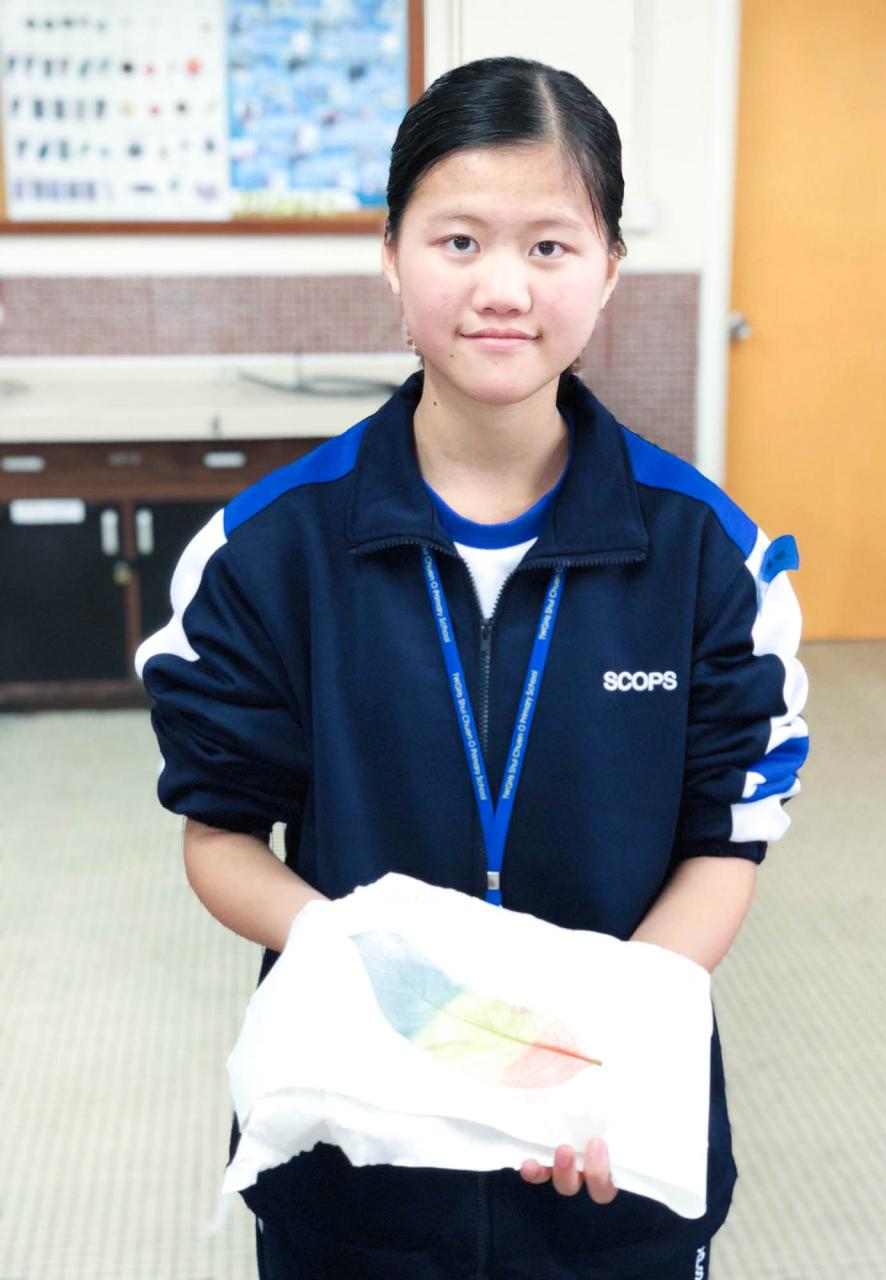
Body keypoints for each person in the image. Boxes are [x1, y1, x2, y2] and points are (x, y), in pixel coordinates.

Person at [135, 55, 809, 1280]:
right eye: (458, 240)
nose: (504, 288)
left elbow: (726, 837)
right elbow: (220, 833)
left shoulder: (714, 557)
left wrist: (606, 1044)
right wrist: (365, 969)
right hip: (356, 1145)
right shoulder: (268, 551)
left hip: (607, 1147)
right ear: (392, 257)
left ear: (611, 267)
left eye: (550, 245)